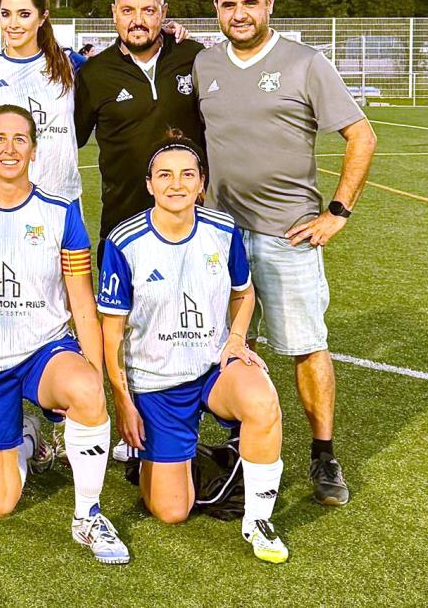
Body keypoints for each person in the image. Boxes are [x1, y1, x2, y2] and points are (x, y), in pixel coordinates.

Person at [195, 0, 376, 506]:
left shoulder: (305, 63)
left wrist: (337, 212)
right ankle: (237, 441)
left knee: (305, 345)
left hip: (289, 236)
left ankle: (323, 454)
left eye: (250, 2)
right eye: (229, 4)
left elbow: (361, 137)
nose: (240, 13)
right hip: (223, 237)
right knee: (234, 345)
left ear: (269, 3)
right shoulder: (206, 65)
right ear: (217, 9)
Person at [0, 104, 129, 564]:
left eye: (20, 139)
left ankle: (88, 516)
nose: (9, 148)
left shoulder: (60, 214)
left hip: (45, 349)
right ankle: (27, 437)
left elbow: (81, 301)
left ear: (34, 150)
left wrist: (94, 378)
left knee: (83, 389)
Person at [98, 132, 289, 563]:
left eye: (188, 174)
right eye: (165, 175)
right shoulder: (124, 243)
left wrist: (236, 339)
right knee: (170, 512)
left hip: (211, 369)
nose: (176, 184)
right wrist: (123, 402)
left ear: (202, 182)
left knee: (262, 399)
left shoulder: (223, 231)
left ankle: (258, 521)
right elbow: (111, 334)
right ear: (149, 184)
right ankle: (153, 458)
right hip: (156, 383)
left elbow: (244, 293)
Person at [74, 0, 205, 261]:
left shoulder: (195, 57)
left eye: (148, 10)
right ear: (113, 13)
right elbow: (70, 138)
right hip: (123, 224)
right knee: (120, 307)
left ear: (164, 12)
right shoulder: (94, 74)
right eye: (127, 10)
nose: (137, 20)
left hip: (191, 223)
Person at [0, 0, 81, 201]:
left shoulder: (69, 62)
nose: (13, 24)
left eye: (24, 14)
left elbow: (116, 66)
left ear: (43, 17)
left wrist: (168, 37)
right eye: (6, 14)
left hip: (62, 199)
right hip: (2, 202)